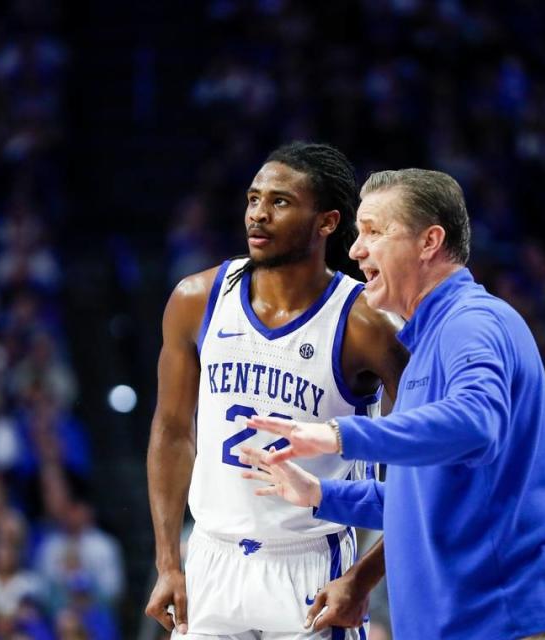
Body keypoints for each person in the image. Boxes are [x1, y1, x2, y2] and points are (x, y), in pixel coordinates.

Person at [242, 168, 545, 640]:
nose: (355, 248)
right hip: (468, 621)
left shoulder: (472, 320)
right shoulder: (428, 343)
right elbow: (421, 497)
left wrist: (340, 435)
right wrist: (319, 495)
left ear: (430, 241)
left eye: (374, 231)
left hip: (504, 617)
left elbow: (475, 424)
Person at [144, 142, 408, 639]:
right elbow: (173, 430)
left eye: (280, 202)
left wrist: (364, 576)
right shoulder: (195, 300)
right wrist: (168, 561)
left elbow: (429, 461)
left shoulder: (366, 324)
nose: (258, 215)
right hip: (210, 556)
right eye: (253, 199)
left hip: (312, 564)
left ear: (328, 222)